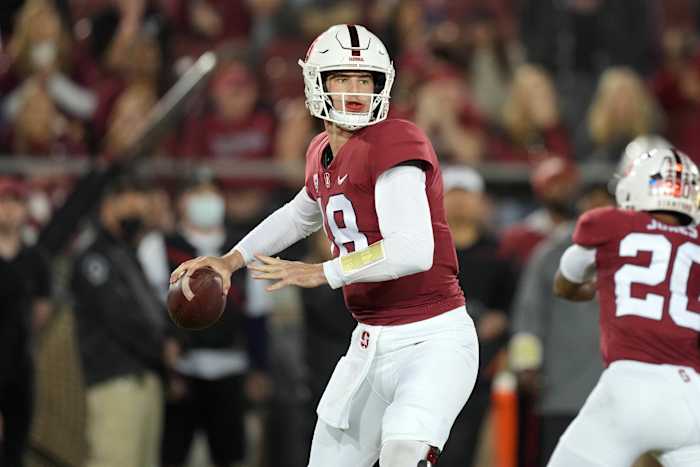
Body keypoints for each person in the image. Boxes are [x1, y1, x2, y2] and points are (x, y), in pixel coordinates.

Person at [171, 24, 479, 467]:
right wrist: (230, 260)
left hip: (431, 339)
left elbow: (412, 248)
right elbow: (299, 214)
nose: (355, 91)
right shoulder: (321, 150)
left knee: (404, 455)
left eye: (364, 80)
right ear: (317, 83)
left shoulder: (396, 140)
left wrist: (324, 271)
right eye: (342, 78)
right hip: (370, 341)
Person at [547, 147, 700, 467]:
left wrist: (595, 286)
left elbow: (564, 283)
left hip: (632, 383)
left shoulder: (611, 225)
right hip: (693, 394)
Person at [71, 178, 175, 467]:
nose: (135, 216)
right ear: (107, 206)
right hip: (115, 378)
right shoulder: (94, 258)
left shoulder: (126, 254)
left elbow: (149, 309)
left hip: (144, 376)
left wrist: (169, 341)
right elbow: (119, 317)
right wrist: (161, 346)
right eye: (127, 205)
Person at [440, 166, 517, 467]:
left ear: (482, 202)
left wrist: (501, 319)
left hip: (479, 371)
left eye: (467, 195)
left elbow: (513, 307)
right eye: (453, 195)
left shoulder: (499, 255)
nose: (460, 202)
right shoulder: (425, 250)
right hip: (429, 363)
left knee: (470, 450)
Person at [0, 177, 52, 467]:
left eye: (15, 202)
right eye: (3, 202)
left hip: (20, 367)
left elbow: (40, 313)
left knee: (15, 449)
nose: (8, 210)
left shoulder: (35, 259)